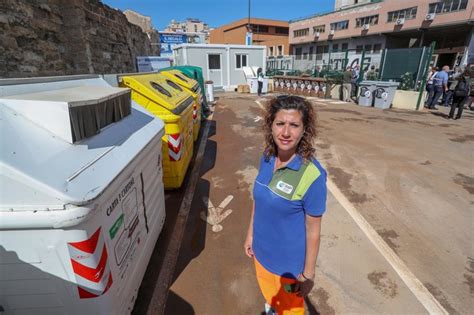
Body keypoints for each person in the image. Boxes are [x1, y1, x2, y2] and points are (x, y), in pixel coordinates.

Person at [245, 95, 327, 315]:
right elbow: (259, 200)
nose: (286, 132)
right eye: (280, 123)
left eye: (294, 125)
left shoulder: (312, 175)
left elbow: (313, 231)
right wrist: (250, 234)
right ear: (270, 125)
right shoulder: (267, 156)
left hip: (287, 271)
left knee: (289, 310)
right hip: (261, 255)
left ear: (304, 130)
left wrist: (308, 274)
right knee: (271, 302)